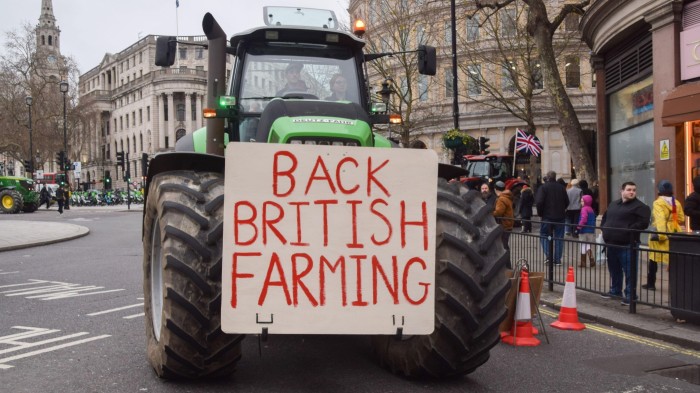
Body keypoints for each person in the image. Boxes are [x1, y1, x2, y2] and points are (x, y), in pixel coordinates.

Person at [600, 181, 651, 305]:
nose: (632, 192)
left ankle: (630, 295)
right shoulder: (613, 204)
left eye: (634, 190)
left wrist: (628, 230)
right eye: (629, 189)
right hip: (611, 243)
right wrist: (604, 228)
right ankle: (615, 290)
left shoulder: (641, 207)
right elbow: (605, 218)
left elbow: (643, 223)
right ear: (622, 191)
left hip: (628, 244)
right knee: (614, 270)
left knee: (630, 271)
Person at [645, 180, 686, 290]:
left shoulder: (658, 203)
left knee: (653, 258)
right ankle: (676, 285)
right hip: (674, 231)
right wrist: (673, 223)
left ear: (659, 190)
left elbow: (660, 220)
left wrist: (662, 235)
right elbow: (681, 218)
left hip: (661, 233)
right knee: (673, 259)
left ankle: (651, 284)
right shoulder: (675, 202)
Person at [535, 171, 569, 265]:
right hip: (560, 217)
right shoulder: (561, 188)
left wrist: (541, 213)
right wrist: (562, 209)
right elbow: (567, 202)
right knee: (559, 238)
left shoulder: (543, 187)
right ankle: (557, 259)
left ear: (547, 177)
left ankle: (549, 256)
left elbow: (539, 202)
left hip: (547, 217)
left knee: (544, 236)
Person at [492, 181, 514, 251]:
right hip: (508, 224)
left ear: (495, 189)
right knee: (504, 244)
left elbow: (498, 212)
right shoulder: (507, 197)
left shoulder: (501, 199)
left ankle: (506, 261)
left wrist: (490, 214)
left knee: (503, 246)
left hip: (504, 225)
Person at [577, 195, 596, 267]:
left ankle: (583, 262)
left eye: (582, 201)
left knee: (582, 245)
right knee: (588, 245)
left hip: (583, 230)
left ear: (585, 202)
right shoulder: (591, 209)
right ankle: (592, 260)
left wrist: (578, 227)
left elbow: (584, 218)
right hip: (591, 230)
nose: (581, 202)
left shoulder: (584, 209)